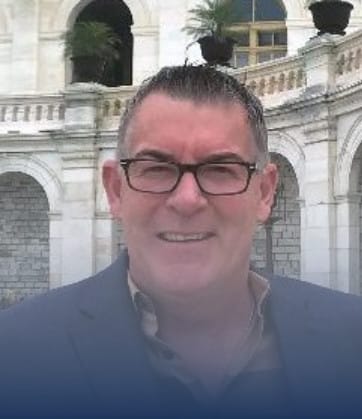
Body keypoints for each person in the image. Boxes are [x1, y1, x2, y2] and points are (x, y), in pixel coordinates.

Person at [0, 65, 362, 419]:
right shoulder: (15, 353)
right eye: (156, 168)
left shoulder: (352, 339)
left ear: (265, 192)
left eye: (220, 169)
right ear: (114, 190)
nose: (187, 200)